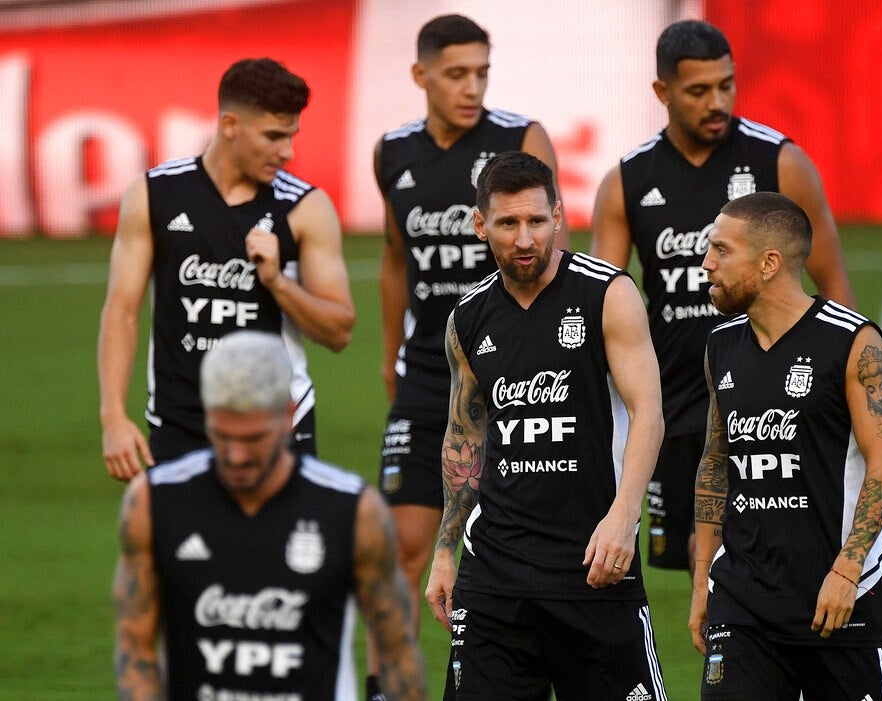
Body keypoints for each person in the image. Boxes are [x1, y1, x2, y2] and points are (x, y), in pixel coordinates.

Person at [590, 19, 856, 576]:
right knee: (702, 565)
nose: (718, 101)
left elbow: (832, 284)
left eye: (726, 85)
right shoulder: (627, 181)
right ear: (662, 93)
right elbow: (604, 300)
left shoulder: (779, 163)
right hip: (676, 402)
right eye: (698, 90)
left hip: (771, 392)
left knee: (770, 545)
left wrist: (848, 385)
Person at [369, 15, 566, 698]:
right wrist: (391, 359)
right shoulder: (392, 152)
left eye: (482, 71)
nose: (472, 87)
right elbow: (397, 259)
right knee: (400, 546)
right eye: (456, 73)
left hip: (515, 369)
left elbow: (552, 245)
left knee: (522, 546)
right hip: (428, 376)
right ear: (422, 75)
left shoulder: (520, 139)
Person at [424, 151, 667, 700]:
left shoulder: (608, 294)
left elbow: (648, 411)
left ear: (558, 215)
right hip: (494, 575)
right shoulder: (467, 318)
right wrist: (445, 550)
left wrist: (624, 518)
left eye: (537, 220)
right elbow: (465, 435)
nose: (526, 238)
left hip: (593, 565)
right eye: (508, 224)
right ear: (481, 224)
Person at [112, 331, 427, 700]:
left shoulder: (352, 511)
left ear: (289, 416)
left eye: (253, 438)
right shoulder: (155, 503)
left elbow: (396, 653)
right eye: (222, 435)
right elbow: (136, 650)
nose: (236, 456)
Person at [99, 57, 355, 481]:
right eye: (273, 136)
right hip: (179, 422)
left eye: (291, 136)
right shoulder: (154, 194)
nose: (286, 152)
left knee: (273, 549)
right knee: (180, 549)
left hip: (277, 422)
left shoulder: (306, 208)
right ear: (230, 125)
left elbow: (339, 331)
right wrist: (112, 418)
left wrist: (276, 281)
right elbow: (121, 311)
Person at [687, 192, 882, 700]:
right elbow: (716, 462)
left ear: (768, 264)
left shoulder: (853, 343)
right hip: (742, 601)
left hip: (842, 596)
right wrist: (703, 582)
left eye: (721, 251)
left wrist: (847, 571)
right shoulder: (721, 345)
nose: (706, 263)